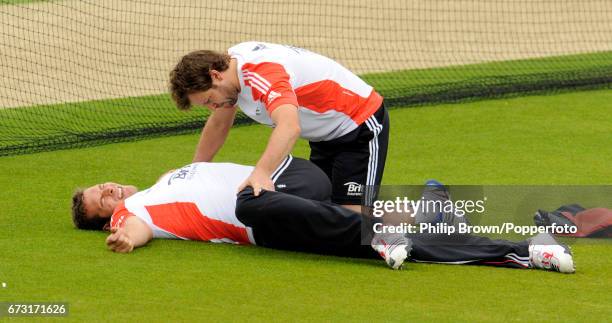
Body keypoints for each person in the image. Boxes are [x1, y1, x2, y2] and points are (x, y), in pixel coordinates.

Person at [71, 157, 575, 273]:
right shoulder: (134, 212)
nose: (111, 191)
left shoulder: (168, 176)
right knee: (373, 229)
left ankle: (521, 248)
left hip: (287, 186)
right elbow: (137, 227)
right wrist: (127, 239)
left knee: (371, 233)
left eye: (103, 186)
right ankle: (514, 244)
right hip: (268, 219)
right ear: (107, 217)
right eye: (104, 201)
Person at [169, 41, 389, 212]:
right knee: (322, 206)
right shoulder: (229, 79)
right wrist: (195, 171)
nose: (213, 106)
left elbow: (289, 126)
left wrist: (262, 173)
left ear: (215, 75)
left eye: (209, 100)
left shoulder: (262, 74)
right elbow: (219, 123)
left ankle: (421, 214)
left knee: (353, 217)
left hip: (359, 124)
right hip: (325, 135)